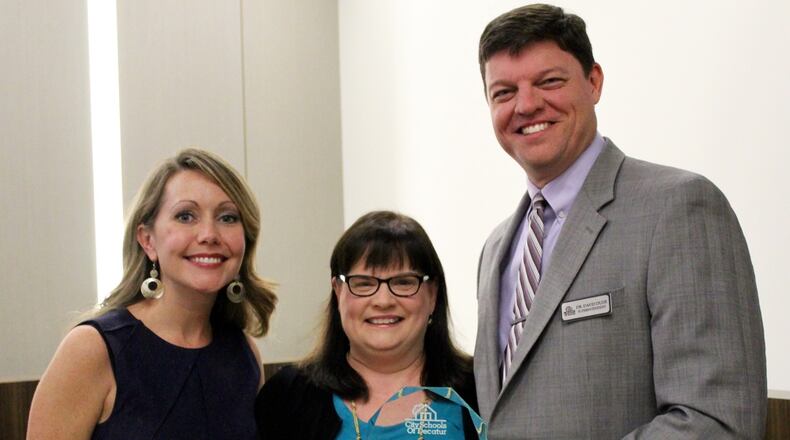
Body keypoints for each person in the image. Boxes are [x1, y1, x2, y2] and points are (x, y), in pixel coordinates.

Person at [474, 4, 766, 439]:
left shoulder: (678, 208)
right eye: (504, 92)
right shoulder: (496, 249)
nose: (527, 104)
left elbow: (717, 420)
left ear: (594, 82)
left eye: (549, 81)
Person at [27, 148, 277, 439]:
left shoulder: (244, 353)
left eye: (228, 217)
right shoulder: (92, 349)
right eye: (186, 216)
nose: (209, 234)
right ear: (148, 240)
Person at [256, 211, 478, 439]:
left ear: (432, 294)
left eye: (403, 282)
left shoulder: (480, 390)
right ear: (338, 292)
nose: (383, 301)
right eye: (363, 284)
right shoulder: (286, 397)